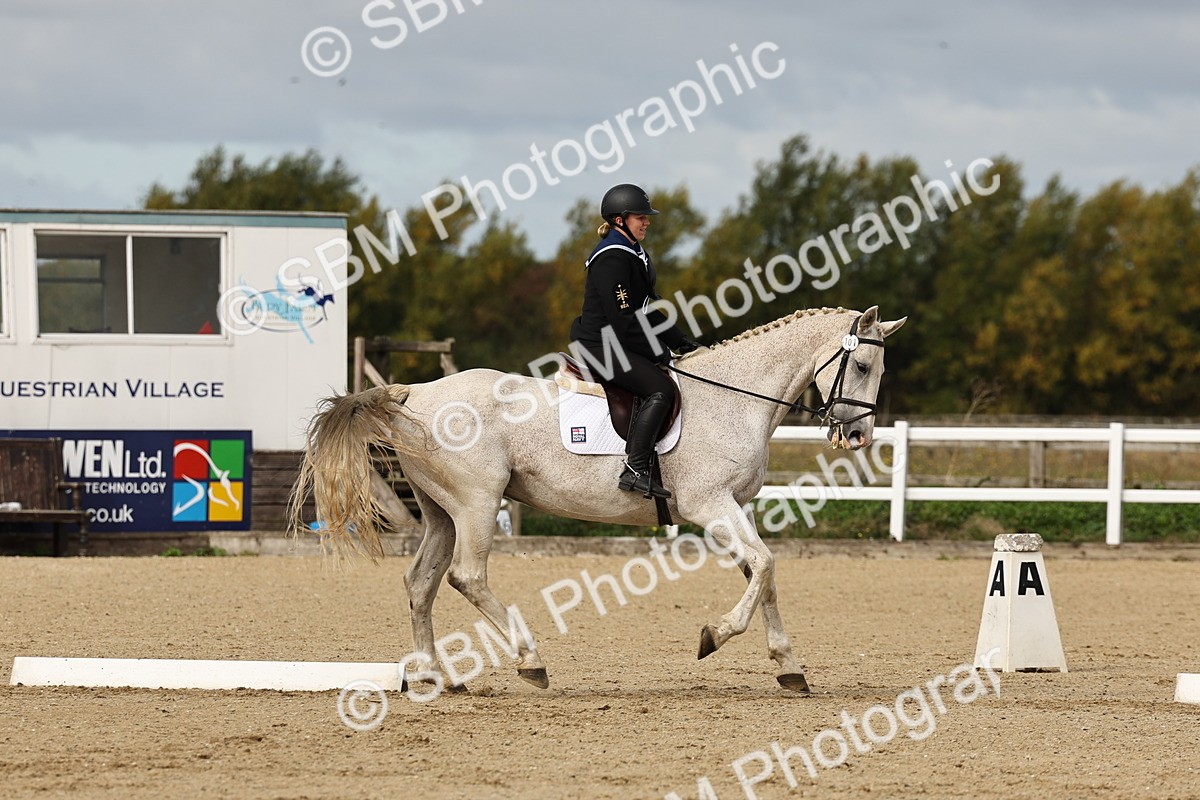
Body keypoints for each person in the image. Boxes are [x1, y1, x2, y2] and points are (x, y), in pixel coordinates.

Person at [569, 184, 702, 499]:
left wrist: (683, 342)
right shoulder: (612, 257)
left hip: (616, 338)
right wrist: (659, 352)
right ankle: (635, 467)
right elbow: (623, 322)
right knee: (660, 387)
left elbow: (644, 311)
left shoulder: (631, 251)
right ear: (619, 219)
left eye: (646, 217)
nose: (647, 222)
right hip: (600, 345)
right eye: (640, 217)